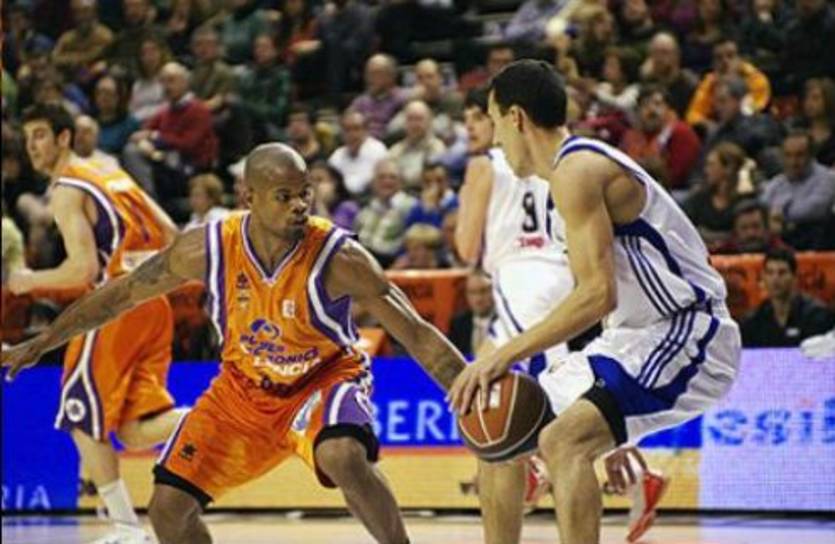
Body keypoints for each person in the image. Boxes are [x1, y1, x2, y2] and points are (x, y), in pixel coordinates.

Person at [2, 142, 467, 544]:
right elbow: (120, 294)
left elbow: (417, 334)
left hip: (322, 379)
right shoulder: (207, 247)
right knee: (167, 509)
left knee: (342, 454)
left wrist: (470, 389)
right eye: (284, 196)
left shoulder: (339, 256)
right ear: (249, 198)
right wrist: (44, 341)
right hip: (242, 391)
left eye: (305, 193)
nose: (299, 205)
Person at [449, 60, 741, 544]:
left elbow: (598, 294)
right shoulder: (559, 186)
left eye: (495, 122)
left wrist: (503, 354)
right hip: (631, 337)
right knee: (497, 433)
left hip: (689, 329)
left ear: (516, 117)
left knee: (563, 442)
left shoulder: (578, 169)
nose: (495, 138)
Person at [455, 85, 667, 544]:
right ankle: (624, 469)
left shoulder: (485, 164)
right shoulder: (558, 160)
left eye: (478, 118)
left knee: (512, 401)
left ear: (507, 118)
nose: (471, 128)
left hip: (522, 277)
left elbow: (466, 247)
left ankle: (613, 471)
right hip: (569, 273)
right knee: (539, 391)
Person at [7, 103, 183, 544]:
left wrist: (27, 281)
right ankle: (221, 418)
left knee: (80, 413)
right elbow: (170, 233)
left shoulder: (67, 188)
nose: (32, 147)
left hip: (115, 303)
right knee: (134, 428)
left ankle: (125, 528)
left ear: (64, 137)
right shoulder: (111, 171)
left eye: (40, 135)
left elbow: (81, 271)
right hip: (154, 300)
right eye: (27, 138)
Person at [741, 248, 835, 347]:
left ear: (795, 277)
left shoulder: (817, 316)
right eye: (770, 273)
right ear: (763, 277)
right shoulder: (753, 321)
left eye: (782, 273)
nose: (775, 279)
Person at [448, 270, 496, 357]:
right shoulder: (458, 323)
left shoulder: (505, 322)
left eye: (483, 291)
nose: (478, 299)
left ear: (494, 292)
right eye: (472, 292)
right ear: (466, 295)